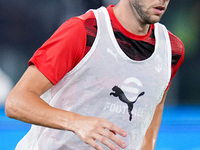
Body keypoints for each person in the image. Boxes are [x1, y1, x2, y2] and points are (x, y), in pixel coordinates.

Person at [5, 0, 184, 149]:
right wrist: (76, 122)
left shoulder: (172, 50)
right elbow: (16, 102)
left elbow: (153, 106)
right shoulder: (83, 31)